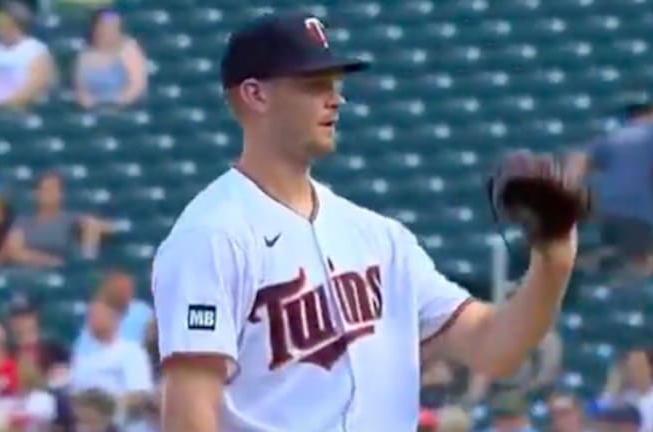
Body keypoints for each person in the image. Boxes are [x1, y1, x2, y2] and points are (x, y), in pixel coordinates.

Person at [152, 13, 580, 432]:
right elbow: (190, 414)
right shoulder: (211, 236)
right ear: (255, 95)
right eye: (313, 84)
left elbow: (494, 348)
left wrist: (554, 258)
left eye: (335, 83)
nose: (335, 98)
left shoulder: (380, 238)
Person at [570, 101, 653, 277]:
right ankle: (578, 270)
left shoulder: (613, 136)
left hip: (606, 207)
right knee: (645, 261)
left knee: (617, 254)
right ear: (652, 113)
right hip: (638, 206)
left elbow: (578, 162)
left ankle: (584, 271)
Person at [5, 171, 113, 266]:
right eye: (44, 189)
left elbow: (104, 227)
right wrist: (50, 261)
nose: (48, 193)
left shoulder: (71, 219)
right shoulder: (23, 221)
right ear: (36, 194)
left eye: (53, 189)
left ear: (61, 194)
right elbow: (14, 252)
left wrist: (88, 251)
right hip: (29, 273)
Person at [0, 1, 54, 111]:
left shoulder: (35, 51)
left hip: (12, 112)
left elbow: (31, 90)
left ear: (17, 25)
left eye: (4, 24)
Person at [74, 8, 147, 109]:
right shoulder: (85, 52)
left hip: (125, 108)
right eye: (105, 27)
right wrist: (88, 103)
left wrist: (116, 104)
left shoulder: (129, 49)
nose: (109, 31)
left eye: (113, 28)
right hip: (92, 109)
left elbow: (137, 86)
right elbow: (80, 87)